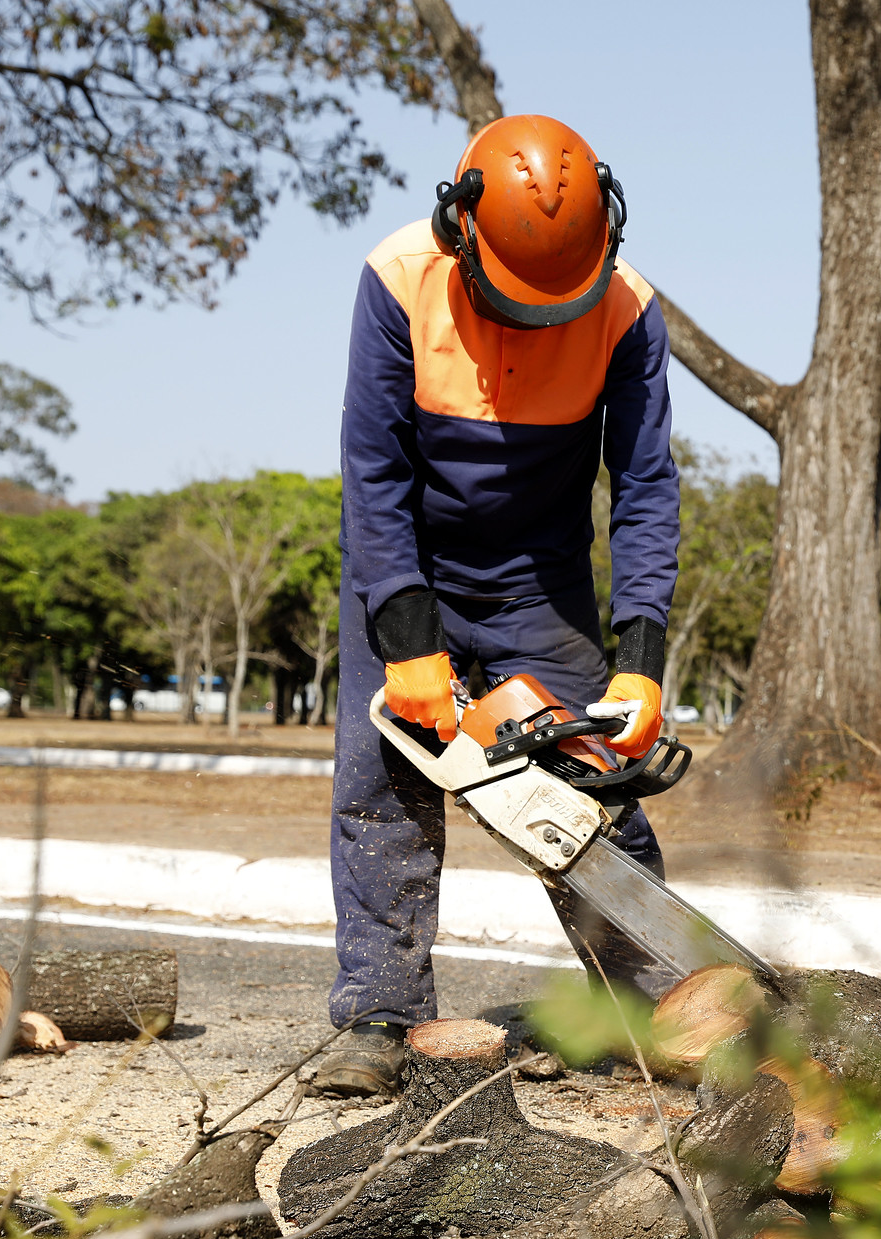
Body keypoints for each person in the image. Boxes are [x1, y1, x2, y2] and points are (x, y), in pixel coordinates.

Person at [313, 114, 681, 1096]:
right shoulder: (399, 278)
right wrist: (406, 638)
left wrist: (639, 658)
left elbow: (644, 483)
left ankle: (662, 1013)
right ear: (460, 229)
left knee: (592, 782)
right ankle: (379, 1017)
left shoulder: (628, 308)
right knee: (381, 789)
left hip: (535, 578)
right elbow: (373, 472)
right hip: (409, 564)